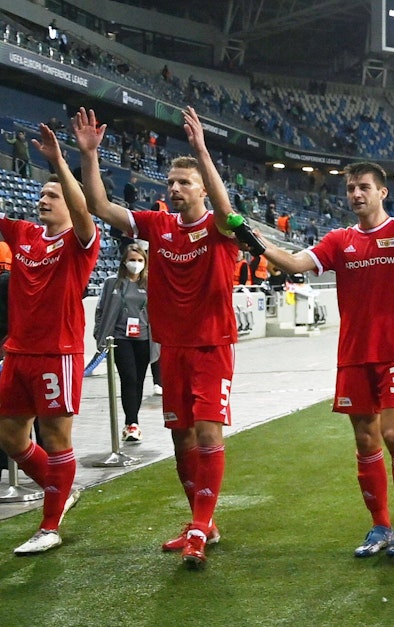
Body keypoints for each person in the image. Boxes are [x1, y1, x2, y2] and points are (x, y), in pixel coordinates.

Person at [75, 107, 243, 566]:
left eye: (183, 182)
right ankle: (202, 522)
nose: (173, 188)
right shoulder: (158, 226)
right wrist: (90, 156)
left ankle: (197, 531)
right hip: (172, 349)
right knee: (181, 439)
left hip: (212, 346)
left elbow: (228, 211)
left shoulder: (220, 228)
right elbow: (99, 206)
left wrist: (202, 151)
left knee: (208, 431)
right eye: (170, 182)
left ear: (202, 189)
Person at [261, 161, 394, 559]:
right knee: (365, 439)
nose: (356, 194)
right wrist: (251, 240)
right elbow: (296, 264)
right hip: (354, 354)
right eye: (351, 188)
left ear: (382, 192)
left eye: (364, 187)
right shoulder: (339, 240)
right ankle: (379, 526)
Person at [1, 122, 98, 555]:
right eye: (41, 195)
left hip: (57, 353)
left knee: (56, 437)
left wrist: (61, 162)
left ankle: (50, 524)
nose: (42, 199)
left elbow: (84, 211)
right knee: (9, 436)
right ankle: (61, 490)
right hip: (17, 352)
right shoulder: (23, 235)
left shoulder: (81, 242)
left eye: (51, 195)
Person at [93, 244, 156, 443]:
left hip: (144, 338)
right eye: (132, 260)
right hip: (120, 337)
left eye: (139, 260)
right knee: (128, 378)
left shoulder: (150, 283)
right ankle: (132, 423)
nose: (135, 264)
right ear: (124, 261)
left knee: (138, 380)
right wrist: (100, 333)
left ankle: (132, 421)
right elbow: (101, 309)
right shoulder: (113, 283)